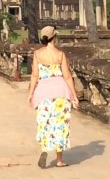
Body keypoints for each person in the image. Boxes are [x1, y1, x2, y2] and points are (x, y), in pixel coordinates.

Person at [27, 25, 80, 168]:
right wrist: (74, 96)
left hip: (44, 91)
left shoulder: (37, 54)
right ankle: (59, 159)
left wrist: (31, 93)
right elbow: (67, 76)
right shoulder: (60, 54)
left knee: (45, 122)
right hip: (60, 91)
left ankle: (44, 149)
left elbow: (35, 75)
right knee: (60, 124)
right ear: (54, 37)